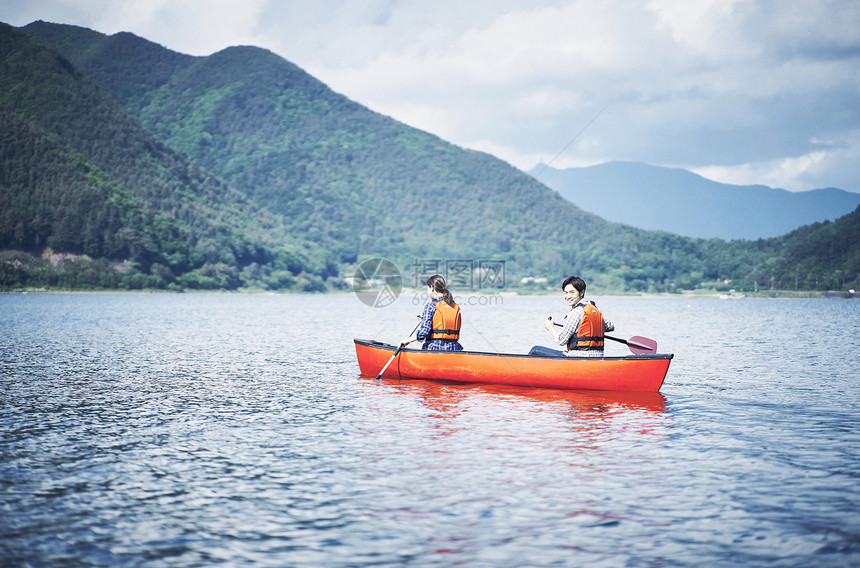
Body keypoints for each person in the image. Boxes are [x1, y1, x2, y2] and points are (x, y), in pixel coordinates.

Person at [528, 275, 614, 358]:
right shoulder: (593, 309)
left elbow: (561, 341)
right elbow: (610, 326)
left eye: (572, 292)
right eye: (566, 293)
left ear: (582, 292)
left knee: (535, 350)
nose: (568, 296)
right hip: (598, 357)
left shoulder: (576, 312)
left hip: (578, 357)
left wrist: (550, 328)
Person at [402, 274, 463, 351]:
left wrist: (408, 340)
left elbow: (424, 332)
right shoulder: (454, 306)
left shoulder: (430, 306)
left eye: (428, 289)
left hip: (435, 348)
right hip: (454, 349)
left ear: (432, 289)